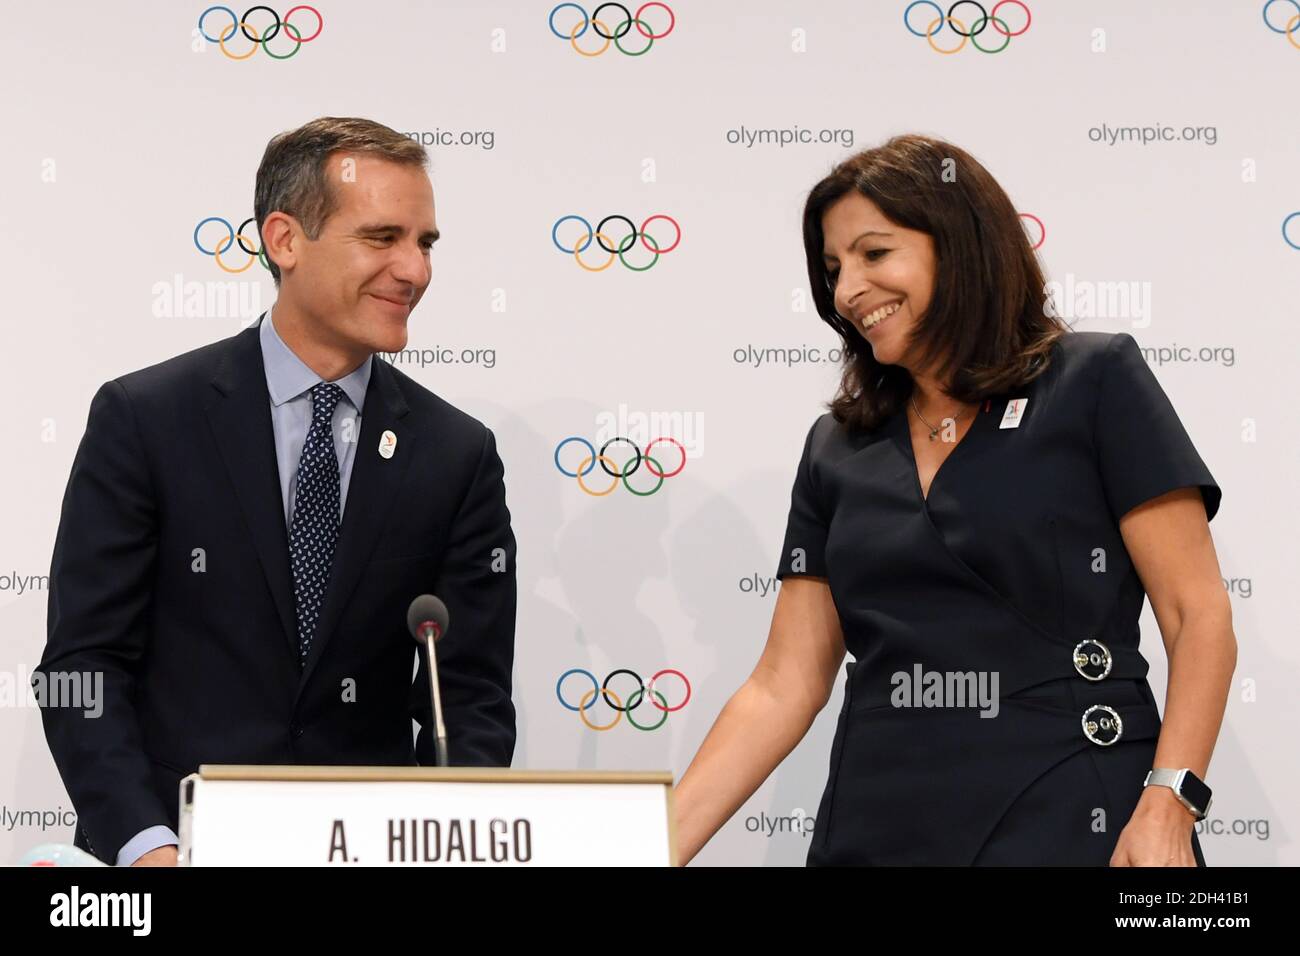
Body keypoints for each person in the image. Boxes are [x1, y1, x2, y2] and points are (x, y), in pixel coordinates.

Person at [673, 134, 1235, 866]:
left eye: (875, 255)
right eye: (834, 269)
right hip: (876, 826)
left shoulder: (1092, 381)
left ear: (960, 244)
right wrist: (652, 846)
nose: (847, 291)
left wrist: (1169, 803)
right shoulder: (836, 447)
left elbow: (1198, 615)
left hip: (1076, 810)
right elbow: (784, 683)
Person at [34, 117, 518, 866]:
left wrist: (443, 850)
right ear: (285, 240)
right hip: (170, 851)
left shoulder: (457, 454)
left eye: (424, 244)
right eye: (382, 237)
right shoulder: (147, 418)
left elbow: (471, 703)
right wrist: (147, 848)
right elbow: (81, 669)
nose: (414, 270)